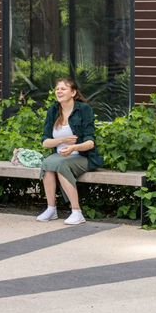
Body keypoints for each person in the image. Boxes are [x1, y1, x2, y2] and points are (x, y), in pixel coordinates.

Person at [35, 78, 102, 225]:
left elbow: (90, 142)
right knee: (47, 164)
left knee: (60, 166)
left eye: (63, 89)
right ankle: (51, 209)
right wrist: (62, 140)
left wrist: (74, 147)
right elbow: (45, 142)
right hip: (59, 157)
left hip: (82, 156)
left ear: (73, 92)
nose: (59, 91)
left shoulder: (84, 109)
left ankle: (77, 212)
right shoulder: (53, 110)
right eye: (57, 89)